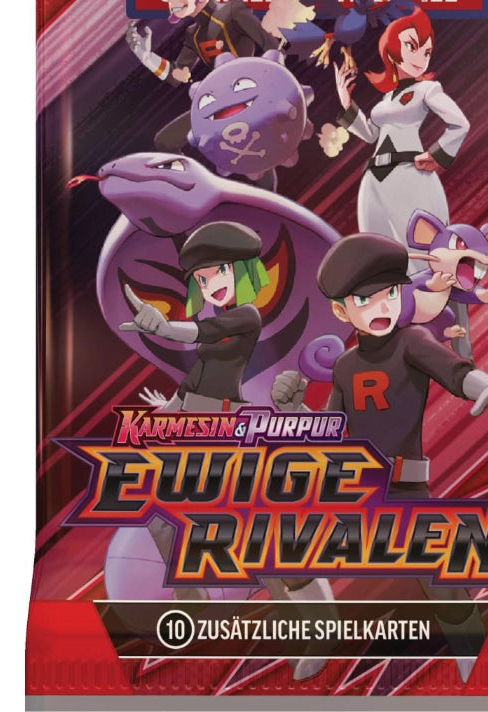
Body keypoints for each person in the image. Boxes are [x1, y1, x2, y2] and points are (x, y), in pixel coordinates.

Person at [272, 232, 488, 683]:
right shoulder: (344, 366)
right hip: (352, 489)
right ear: (342, 312)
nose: (380, 307)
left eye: (389, 294)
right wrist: (296, 412)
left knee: (441, 578)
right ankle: (323, 632)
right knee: (283, 546)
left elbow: (455, 372)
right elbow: (331, 433)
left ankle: (476, 663)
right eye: (364, 300)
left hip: (403, 487)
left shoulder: (412, 341)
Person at [121, 220, 334, 680]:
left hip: (227, 431)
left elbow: (198, 334)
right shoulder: (214, 327)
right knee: (160, 514)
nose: (210, 284)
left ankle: (317, 627)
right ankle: (194, 600)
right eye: (201, 279)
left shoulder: (245, 317)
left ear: (243, 272)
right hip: (197, 429)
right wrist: (167, 412)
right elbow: (196, 379)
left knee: (257, 537)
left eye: (218, 272)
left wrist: (162, 327)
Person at [333, 7, 469, 246]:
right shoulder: (387, 98)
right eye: (412, 47)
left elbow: (460, 123)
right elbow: (371, 134)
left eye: (427, 52)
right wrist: (346, 103)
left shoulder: (427, 89)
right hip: (374, 178)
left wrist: (437, 154)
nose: (421, 58)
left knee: (418, 249)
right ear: (392, 49)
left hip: (408, 173)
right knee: (376, 251)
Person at [126, 0, 279, 152]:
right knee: (165, 141)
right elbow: (178, 75)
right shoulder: (194, 34)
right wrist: (147, 58)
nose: (172, 0)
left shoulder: (232, 12)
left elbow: (271, 45)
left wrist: (270, 90)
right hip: (218, 104)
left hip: (252, 98)